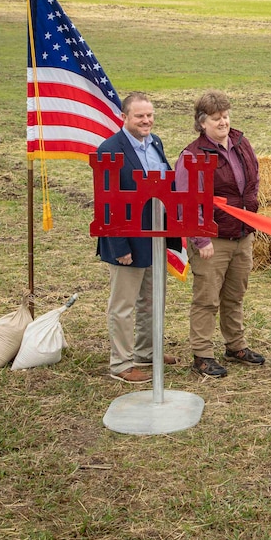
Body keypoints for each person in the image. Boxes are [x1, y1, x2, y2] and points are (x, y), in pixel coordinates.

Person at [174, 90, 265, 378]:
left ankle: (235, 345)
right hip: (211, 239)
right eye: (216, 119)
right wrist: (201, 238)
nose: (223, 122)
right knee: (207, 298)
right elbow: (187, 201)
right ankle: (202, 355)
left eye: (225, 116)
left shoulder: (241, 142)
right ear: (202, 123)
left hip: (241, 234)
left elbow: (253, 181)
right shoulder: (192, 155)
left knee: (235, 294)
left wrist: (250, 218)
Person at [96, 92, 181, 383]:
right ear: (125, 117)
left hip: (155, 235)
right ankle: (121, 363)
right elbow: (106, 204)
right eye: (139, 116)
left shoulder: (155, 142)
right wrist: (120, 246)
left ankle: (147, 351)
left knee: (152, 298)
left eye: (150, 115)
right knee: (123, 305)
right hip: (126, 239)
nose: (146, 121)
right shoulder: (109, 150)